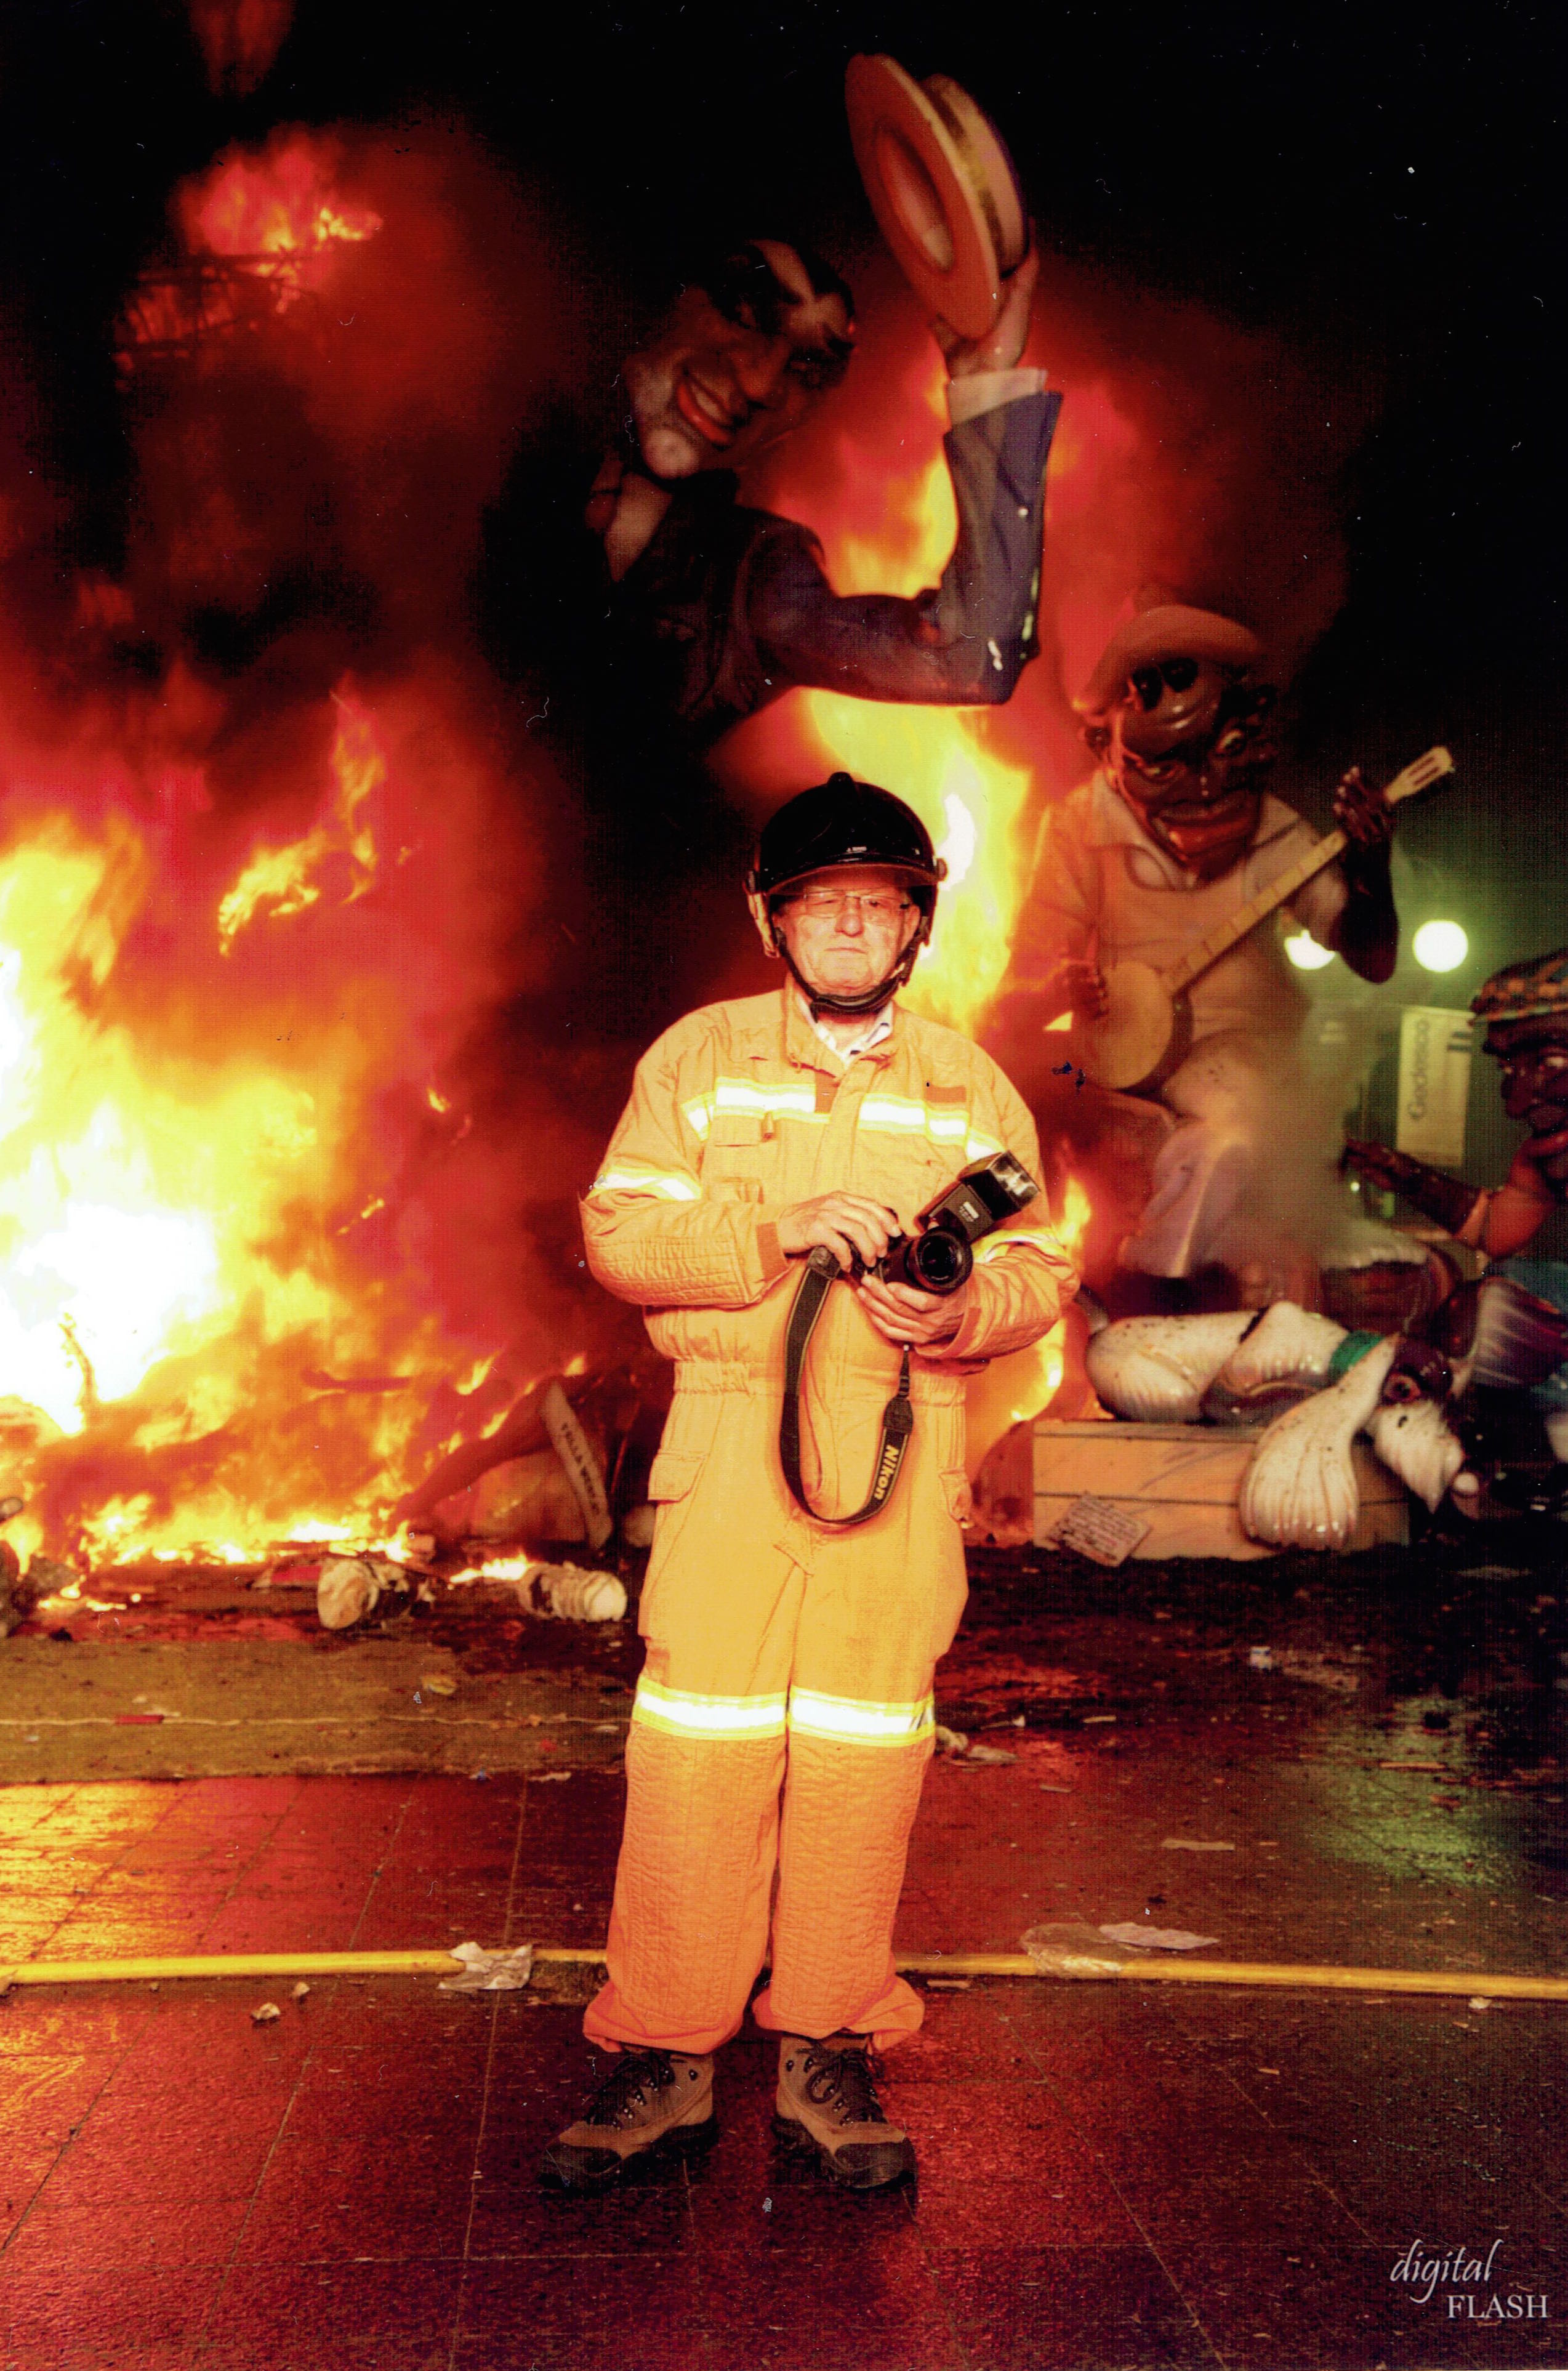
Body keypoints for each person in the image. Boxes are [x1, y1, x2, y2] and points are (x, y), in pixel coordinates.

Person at [549, 771, 1073, 2191]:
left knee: (858, 1752)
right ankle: (660, 2054)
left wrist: (955, 1315)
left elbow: (1037, 1263)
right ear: (772, 920)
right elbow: (620, 1237)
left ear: (913, 926)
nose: (848, 925)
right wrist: (776, 1225)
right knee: (694, 1750)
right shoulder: (698, 1061)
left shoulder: (969, 1087)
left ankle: (827, 2045)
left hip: (894, 1446)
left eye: (876, 903)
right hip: (728, 1443)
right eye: (820, 903)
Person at [1010, 602, 1401, 1287]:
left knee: (1234, 1140)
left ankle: (1156, 1275)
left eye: (1213, 756)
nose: (1198, 787)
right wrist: (1059, 991)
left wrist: (1371, 871)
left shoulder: (1273, 831)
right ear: (1114, 749)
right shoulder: (1080, 826)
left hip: (1242, 1063)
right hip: (1106, 1071)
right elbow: (1020, 989)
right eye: (1165, 767)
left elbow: (1371, 959)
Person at [587, 234, 1061, 743]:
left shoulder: (752, 579)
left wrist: (986, 388)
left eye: (807, 368)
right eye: (748, 316)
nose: (762, 382)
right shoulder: (509, 407)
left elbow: (969, 659)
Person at [1345, 944, 1568, 1471]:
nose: (1517, 1099)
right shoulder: (1544, 1153)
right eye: (1510, 1069)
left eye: (1549, 1064)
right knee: (1493, 1307)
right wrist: (1408, 1176)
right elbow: (1497, 1229)